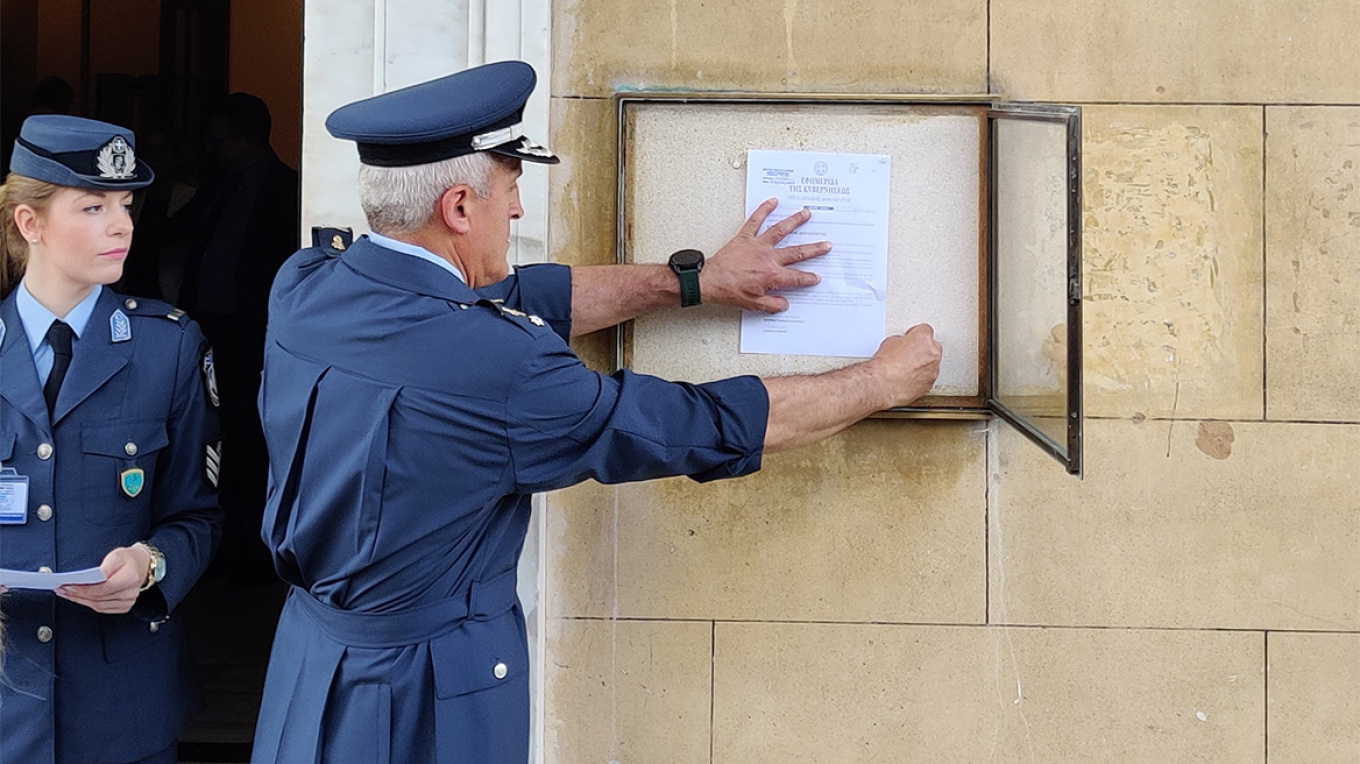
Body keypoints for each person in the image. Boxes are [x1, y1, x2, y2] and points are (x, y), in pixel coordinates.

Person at [251, 61, 942, 764]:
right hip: (420, 693)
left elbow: (518, 295)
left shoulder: (306, 286)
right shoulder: (505, 371)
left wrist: (695, 281)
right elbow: (695, 426)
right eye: (512, 190)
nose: (518, 211)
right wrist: (880, 381)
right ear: (459, 208)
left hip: (311, 659)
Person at [0, 115, 223, 763]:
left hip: (121, 704)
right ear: (29, 223)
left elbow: (200, 516)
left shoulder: (169, 347)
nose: (122, 225)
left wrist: (151, 564)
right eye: (94, 206)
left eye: (125, 205)